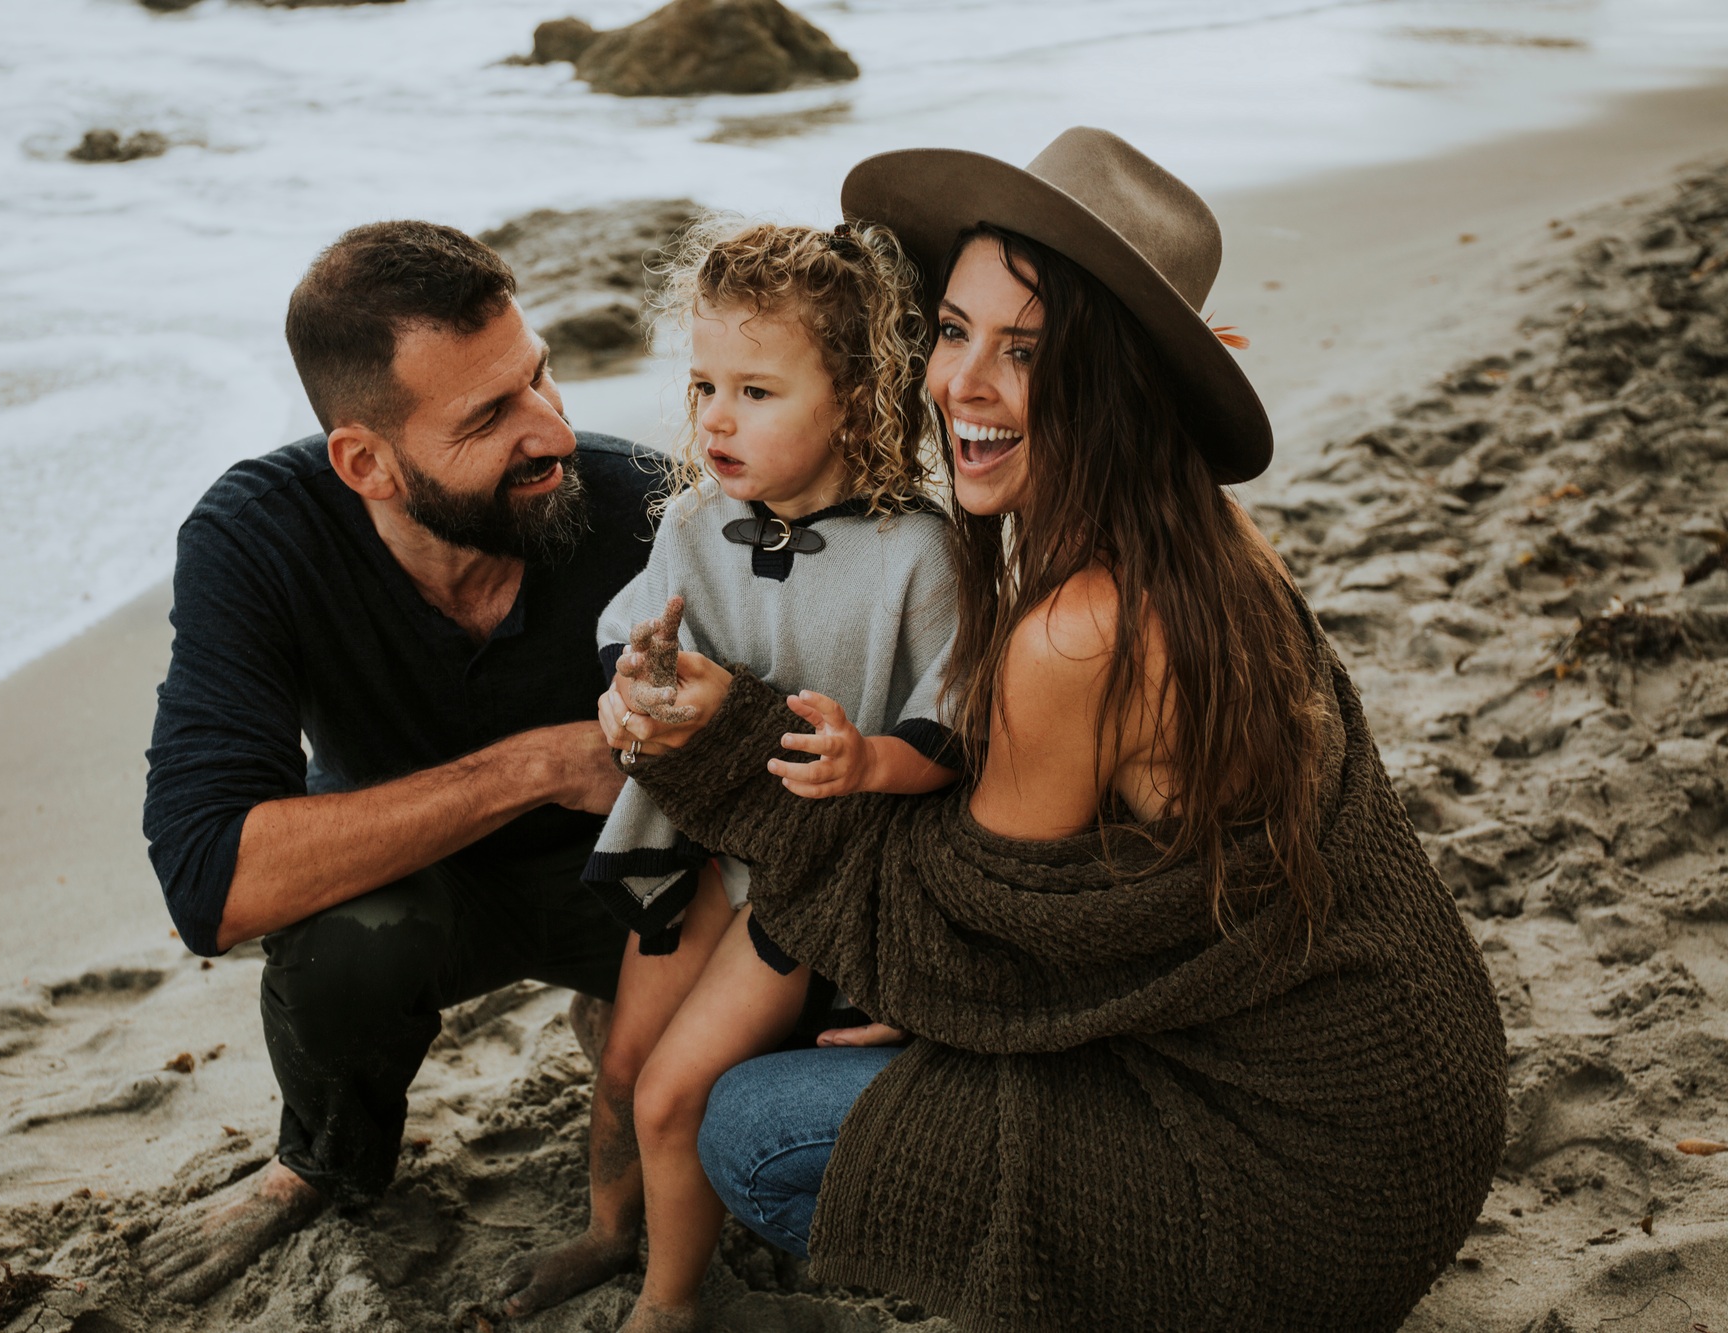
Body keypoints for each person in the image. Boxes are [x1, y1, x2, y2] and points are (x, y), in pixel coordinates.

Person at [600, 128, 1508, 1331]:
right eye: (953, 331)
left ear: (1116, 380)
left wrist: (731, 738)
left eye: (1023, 352)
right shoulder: (1209, 543)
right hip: (1412, 1107)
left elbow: (977, 933)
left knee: (748, 1129)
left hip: (1297, 1196)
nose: (961, 384)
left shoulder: (1078, 629)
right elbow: (1088, 891)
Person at [137, 220, 655, 1306]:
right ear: (365, 463)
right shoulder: (256, 539)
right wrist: (536, 766)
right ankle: (322, 1162)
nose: (553, 429)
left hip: (626, 875)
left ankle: (618, 1011)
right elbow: (210, 882)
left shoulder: (648, 509)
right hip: (413, 885)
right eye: (489, 416)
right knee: (345, 950)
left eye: (539, 375)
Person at [541, 219, 960, 1333]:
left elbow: (956, 728)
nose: (715, 419)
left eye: (756, 391)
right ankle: (605, 1229)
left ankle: (670, 1299)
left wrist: (870, 758)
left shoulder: (920, 554)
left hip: (808, 881)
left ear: (855, 403)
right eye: (703, 386)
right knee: (624, 1064)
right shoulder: (692, 519)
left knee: (674, 1091)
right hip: (700, 850)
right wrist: (630, 687)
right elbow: (631, 641)